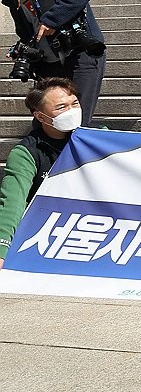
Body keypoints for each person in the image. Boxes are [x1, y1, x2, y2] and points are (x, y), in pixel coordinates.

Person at [0, 0, 106, 125]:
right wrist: (22, 50)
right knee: (47, 122)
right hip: (48, 63)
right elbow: (29, 34)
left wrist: (53, 19)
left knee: (77, 119)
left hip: (79, 53)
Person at [0, 78, 83, 268]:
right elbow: (12, 202)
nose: (71, 111)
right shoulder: (27, 152)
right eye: (61, 107)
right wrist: (2, 248)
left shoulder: (96, 138)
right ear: (40, 116)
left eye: (75, 103)